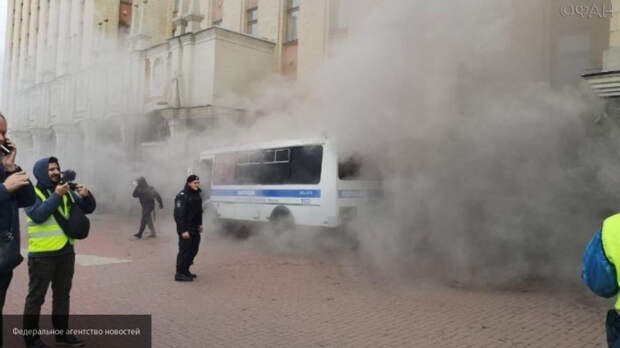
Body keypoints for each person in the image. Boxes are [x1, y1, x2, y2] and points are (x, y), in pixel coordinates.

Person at [23, 157, 96, 348]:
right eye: (50, 169)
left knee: (62, 296)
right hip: (42, 255)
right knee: (36, 297)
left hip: (66, 252)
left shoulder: (66, 191)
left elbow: (87, 209)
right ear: (40, 172)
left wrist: (87, 195)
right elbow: (38, 215)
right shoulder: (32, 192)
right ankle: (31, 339)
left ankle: (62, 335)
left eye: (57, 168)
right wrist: (56, 195)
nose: (55, 172)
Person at [0, 113, 36, 348]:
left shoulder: (4, 167)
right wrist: (3, 190)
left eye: (4, 132)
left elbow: (28, 198)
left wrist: (11, 168)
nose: (3, 137)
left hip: (4, 257)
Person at [174, 175, 203, 282]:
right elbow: (179, 215)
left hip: (195, 227)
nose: (197, 184)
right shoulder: (182, 196)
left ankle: (186, 269)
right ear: (189, 183)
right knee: (184, 251)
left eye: (198, 182)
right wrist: (183, 231)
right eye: (195, 182)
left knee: (194, 250)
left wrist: (200, 224)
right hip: (186, 228)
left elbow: (199, 212)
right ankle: (179, 273)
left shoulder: (197, 194)